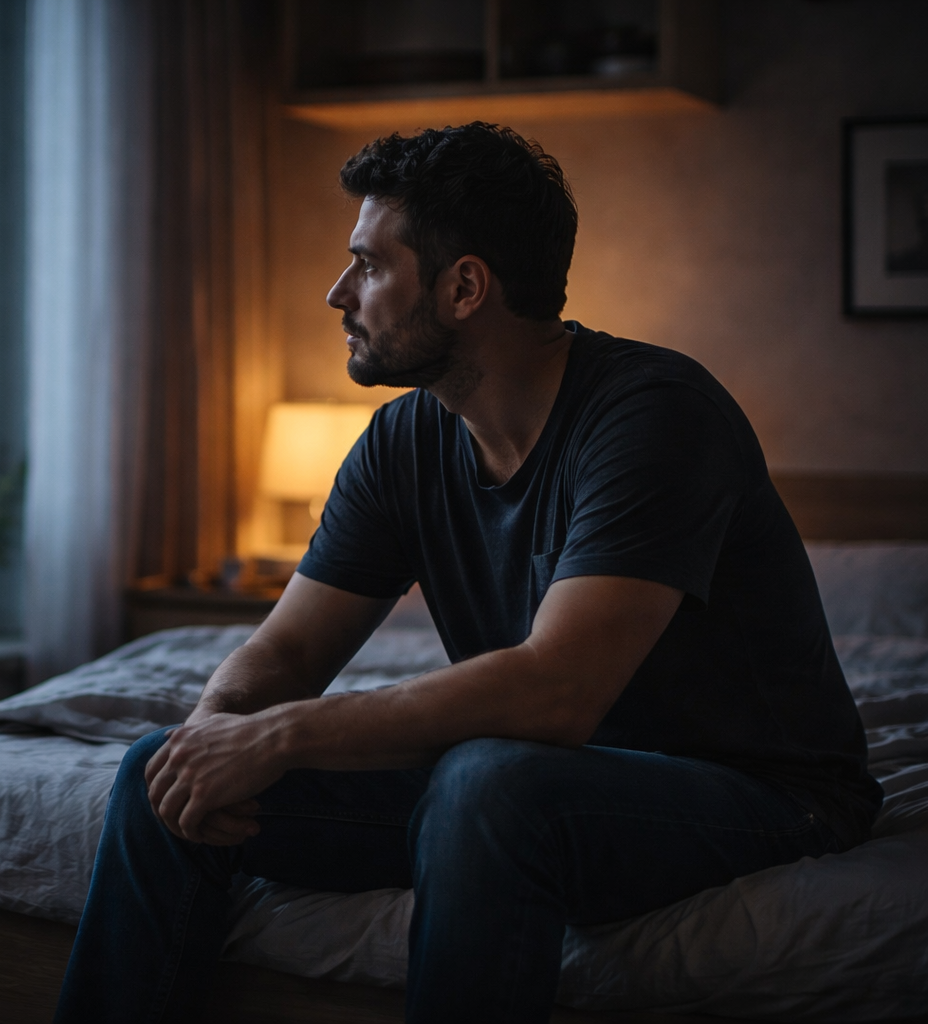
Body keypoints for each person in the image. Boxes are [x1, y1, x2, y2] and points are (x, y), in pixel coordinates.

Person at [53, 123, 881, 1023]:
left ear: (464, 286)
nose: (338, 293)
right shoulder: (404, 443)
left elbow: (557, 694)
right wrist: (215, 742)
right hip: (538, 785)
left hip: (760, 795)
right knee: (157, 774)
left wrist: (286, 738)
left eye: (367, 266)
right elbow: (287, 653)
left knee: (487, 779)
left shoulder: (655, 417)